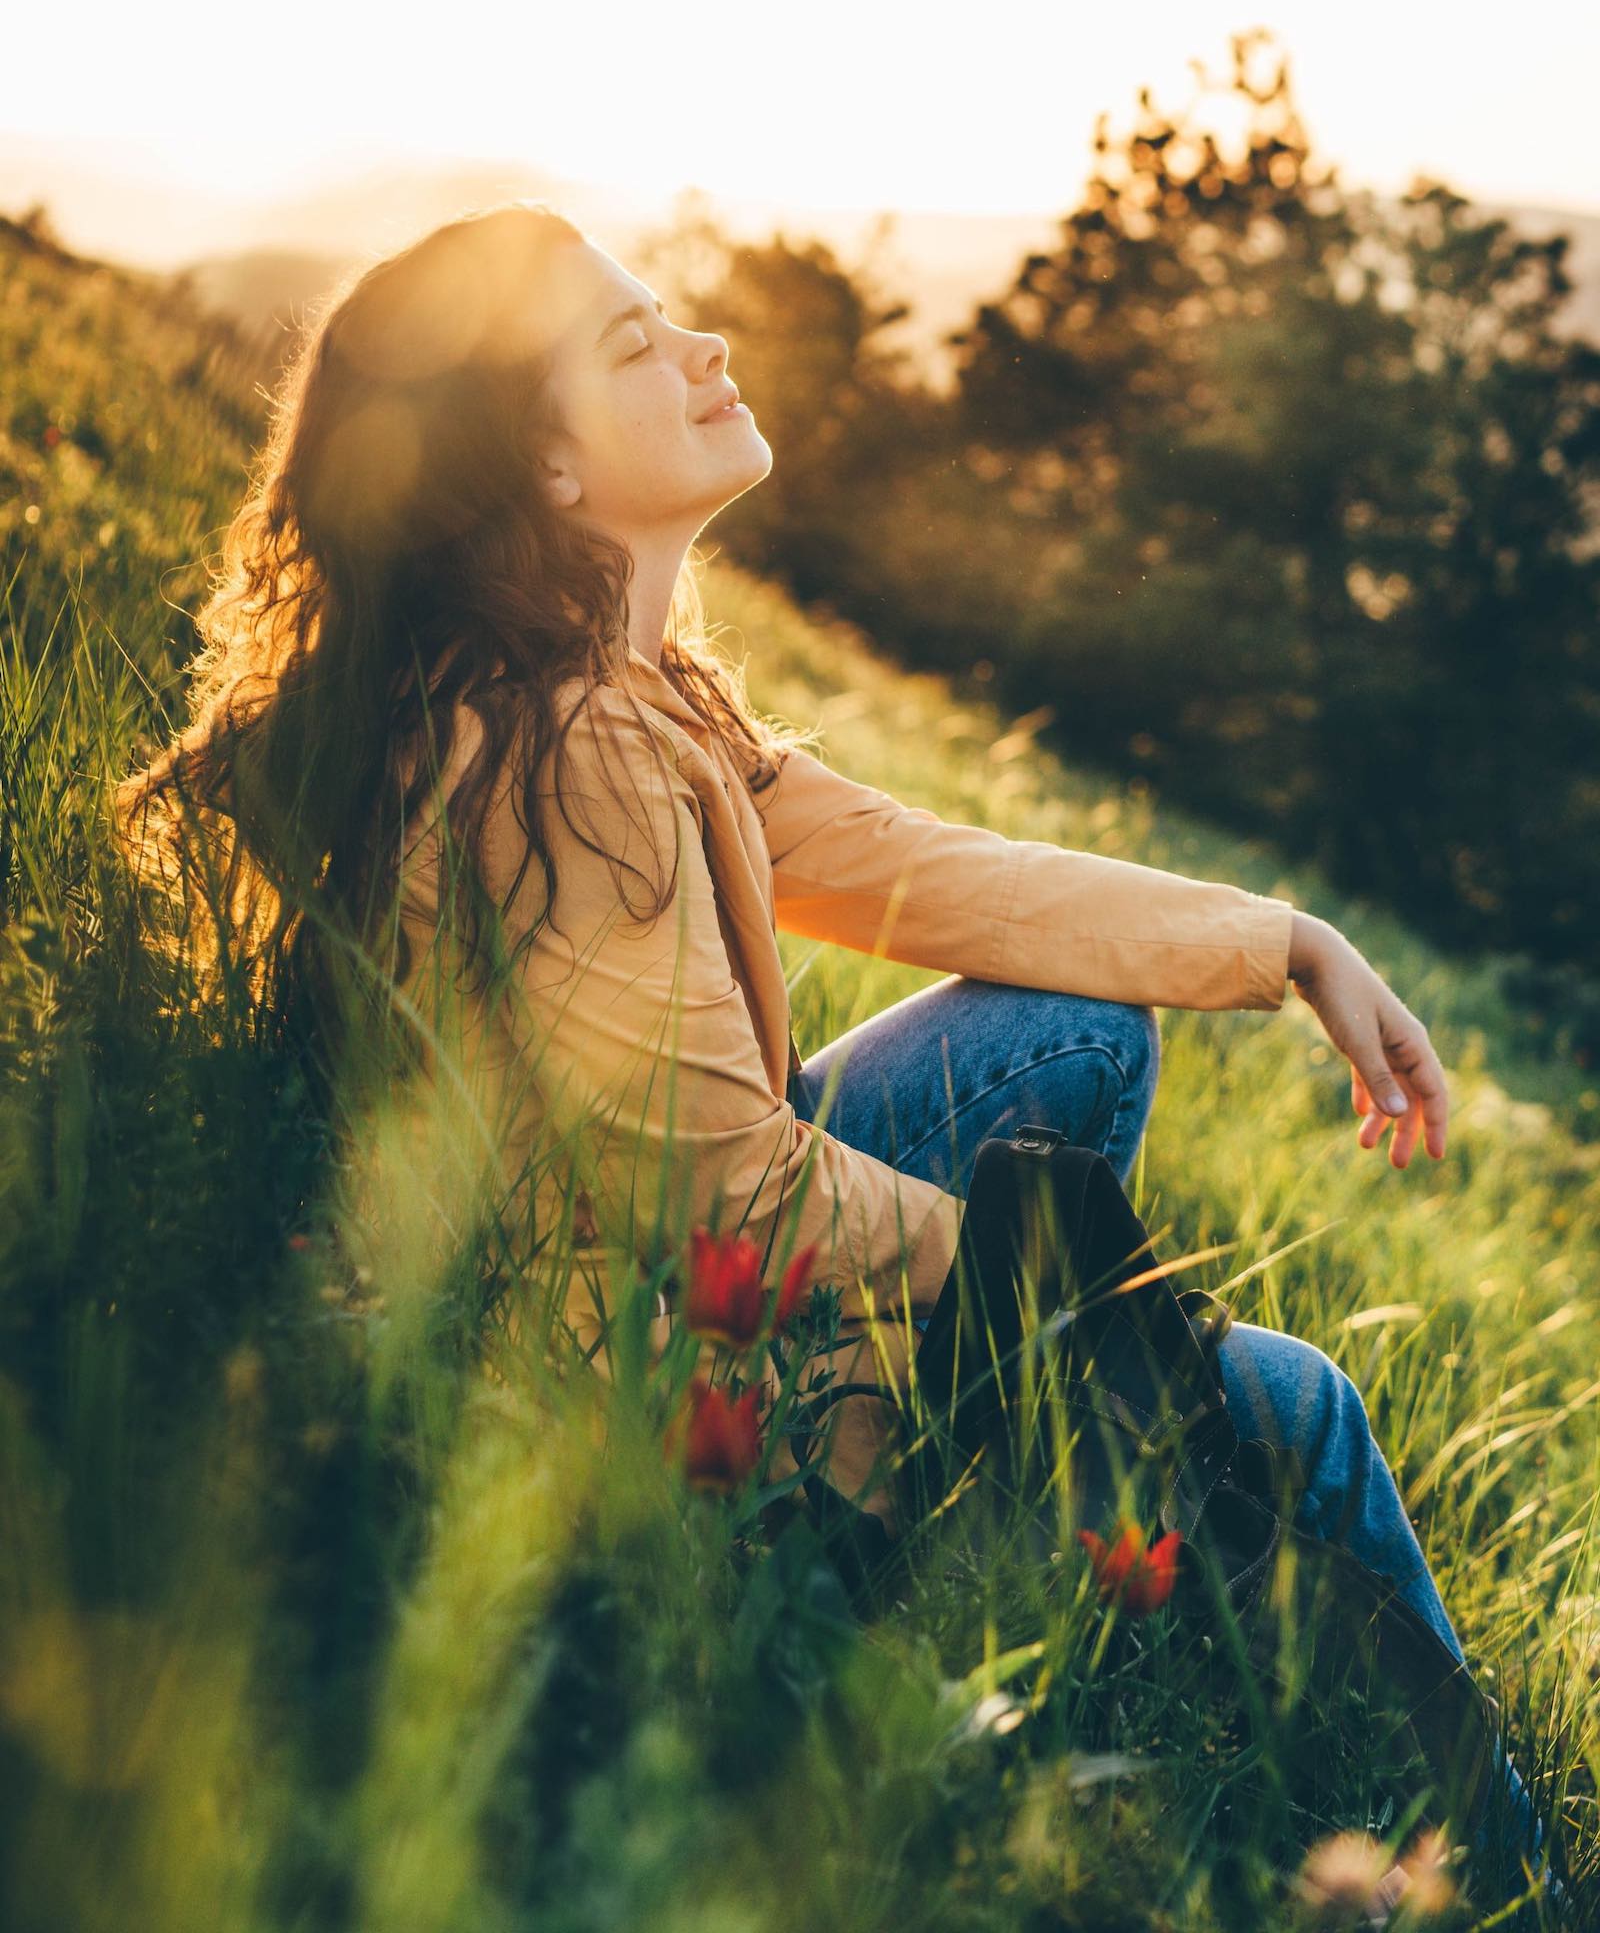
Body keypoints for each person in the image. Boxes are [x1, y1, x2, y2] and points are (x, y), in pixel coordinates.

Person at [112, 201, 1552, 1906]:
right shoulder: (568, 748)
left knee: (1072, 1028)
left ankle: (1052, 1479)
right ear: (546, 476)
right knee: (1292, 1404)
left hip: (641, 1294)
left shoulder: (628, 695)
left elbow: (937, 873)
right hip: (655, 1417)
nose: (705, 348)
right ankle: (1514, 1873)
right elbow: (713, 1186)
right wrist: (1088, 1319)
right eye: (634, 348)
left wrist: (1286, 944)